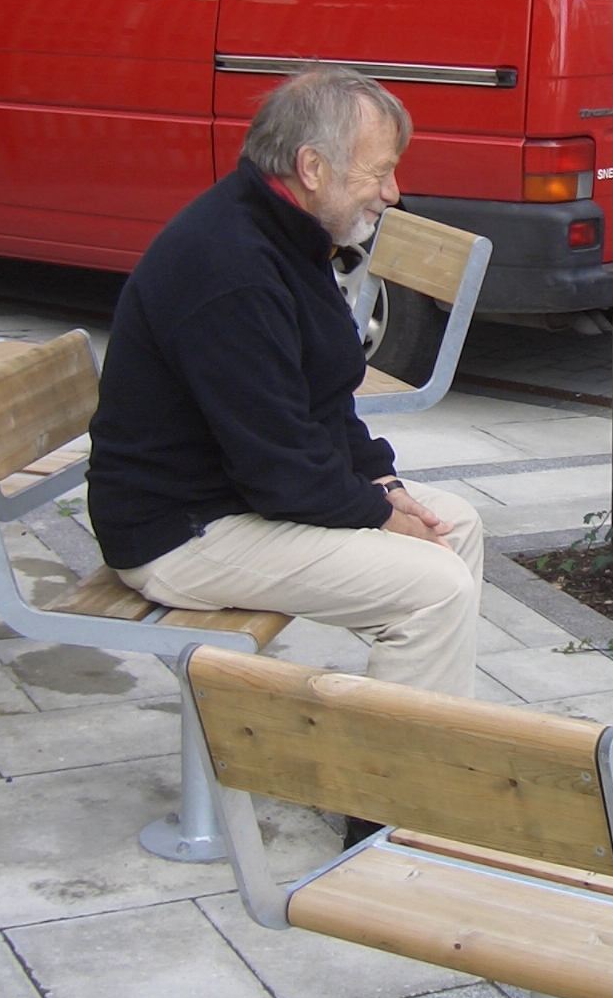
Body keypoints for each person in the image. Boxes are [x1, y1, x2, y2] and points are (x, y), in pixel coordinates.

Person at [87, 66, 484, 730]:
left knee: (456, 524)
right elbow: (280, 469)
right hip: (181, 532)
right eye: (379, 170)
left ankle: (425, 754)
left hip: (238, 499)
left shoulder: (286, 231)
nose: (392, 191)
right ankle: (391, 807)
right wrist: (378, 515)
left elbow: (323, 397)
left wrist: (382, 482)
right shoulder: (233, 268)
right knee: (433, 588)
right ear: (311, 167)